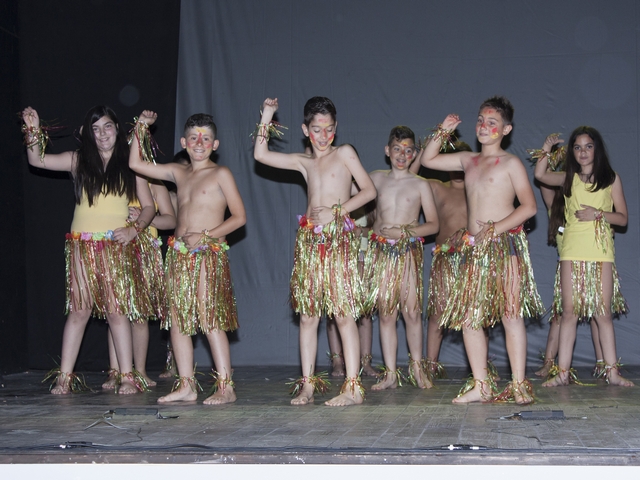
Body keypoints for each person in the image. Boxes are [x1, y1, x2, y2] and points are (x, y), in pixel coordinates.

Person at [22, 105, 157, 395]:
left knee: (116, 312)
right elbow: (36, 160)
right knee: (79, 311)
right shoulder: (78, 160)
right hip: (82, 246)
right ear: (88, 134)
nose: (102, 134)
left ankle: (127, 376)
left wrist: (134, 229)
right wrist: (32, 129)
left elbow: (149, 207)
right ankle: (64, 377)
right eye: (95, 129)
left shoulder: (132, 164)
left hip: (115, 245)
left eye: (107, 127)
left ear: (117, 129)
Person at [418, 96, 544, 404]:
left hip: (504, 246)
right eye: (480, 121)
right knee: (470, 319)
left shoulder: (511, 164)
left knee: (510, 315)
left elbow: (529, 207)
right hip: (474, 250)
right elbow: (427, 160)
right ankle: (481, 385)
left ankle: (518, 384)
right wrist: (443, 131)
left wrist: (495, 228)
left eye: (492, 122)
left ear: (506, 130)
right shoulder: (468, 160)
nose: (484, 126)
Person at [253, 97, 376, 406]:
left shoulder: (344, 153)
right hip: (310, 242)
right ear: (305, 130)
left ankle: (353, 387)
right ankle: (307, 385)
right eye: (317, 130)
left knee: (343, 313)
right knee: (308, 316)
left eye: (329, 129)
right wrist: (267, 116)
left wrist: (339, 211)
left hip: (337, 240)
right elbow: (261, 155)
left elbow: (369, 191)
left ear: (336, 128)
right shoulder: (304, 162)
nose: (324, 136)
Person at [129, 111, 247, 404]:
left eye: (205, 139)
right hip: (179, 255)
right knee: (178, 319)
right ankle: (186, 385)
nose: (199, 143)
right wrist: (141, 127)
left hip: (207, 253)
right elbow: (135, 164)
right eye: (193, 138)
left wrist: (206, 236)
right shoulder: (178, 172)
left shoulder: (221, 174)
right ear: (184, 142)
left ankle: (226, 386)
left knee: (209, 318)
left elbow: (239, 217)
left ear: (215, 145)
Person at [533, 128, 632, 387]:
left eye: (588, 146)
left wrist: (599, 214)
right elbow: (540, 175)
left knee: (603, 313)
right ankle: (562, 373)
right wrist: (546, 150)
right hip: (572, 251)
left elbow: (622, 218)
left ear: (596, 149)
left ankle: (612, 373)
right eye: (577, 147)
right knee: (569, 313)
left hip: (600, 252)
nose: (583, 152)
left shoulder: (611, 179)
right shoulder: (569, 178)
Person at [364, 126, 439, 390]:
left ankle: (417, 369)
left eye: (408, 151)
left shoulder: (420, 184)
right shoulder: (375, 178)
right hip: (381, 253)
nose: (402, 155)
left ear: (414, 154)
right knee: (386, 315)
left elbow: (433, 225)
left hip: (407, 253)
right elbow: (347, 191)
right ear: (387, 150)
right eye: (397, 149)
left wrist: (404, 232)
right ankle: (390, 374)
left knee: (412, 312)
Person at [531, 137, 604, 380]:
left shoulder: (587, 203)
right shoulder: (554, 204)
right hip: (569, 265)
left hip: (591, 261)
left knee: (597, 312)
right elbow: (543, 178)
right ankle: (550, 364)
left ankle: (603, 363)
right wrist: (549, 154)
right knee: (561, 315)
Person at [103, 179, 177, 389]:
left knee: (140, 316)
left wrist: (146, 220)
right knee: (116, 312)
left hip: (144, 253)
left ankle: (140, 371)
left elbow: (171, 221)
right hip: (116, 248)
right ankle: (115, 372)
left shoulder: (155, 184)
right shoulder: (115, 177)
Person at [410, 141, 469, 379]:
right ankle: (431, 365)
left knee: (476, 313)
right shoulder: (436, 187)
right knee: (437, 313)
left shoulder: (477, 188)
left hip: (473, 258)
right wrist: (423, 153)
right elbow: (409, 178)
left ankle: (481, 368)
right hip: (445, 258)